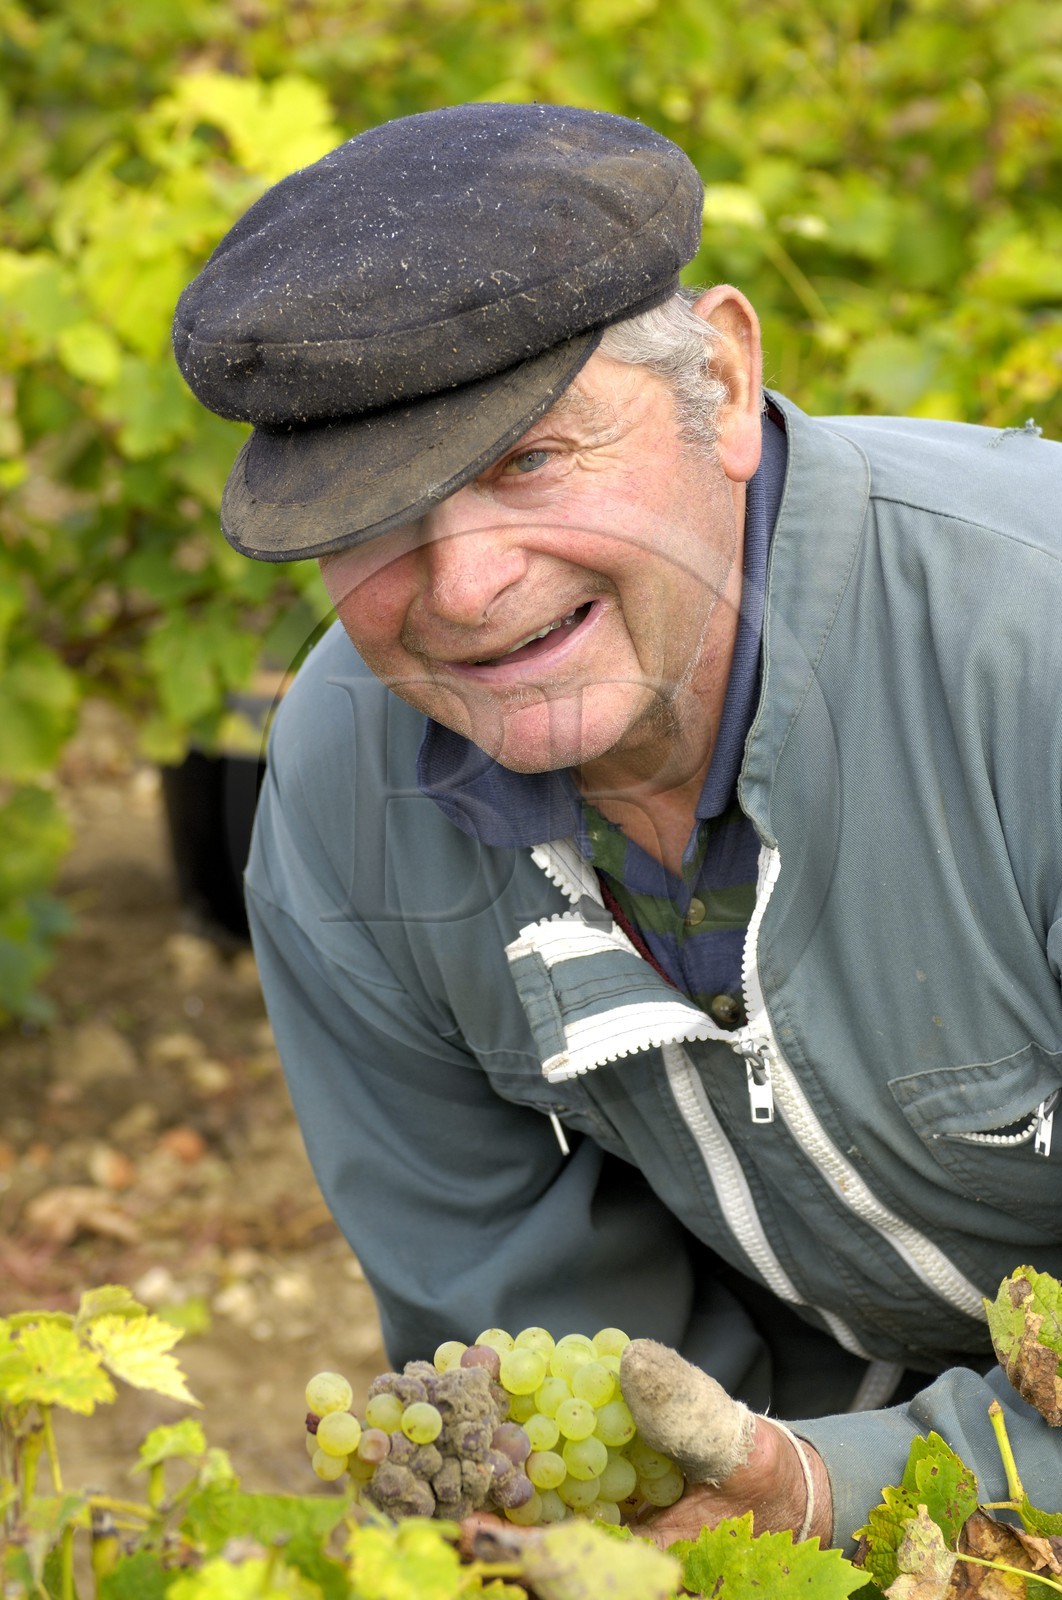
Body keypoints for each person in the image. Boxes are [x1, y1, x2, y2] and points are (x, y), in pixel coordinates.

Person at [173, 101, 1062, 1550]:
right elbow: (524, 1325)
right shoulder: (343, 786)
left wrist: (860, 1490)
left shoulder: (1033, 647)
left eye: (529, 460)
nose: (463, 589)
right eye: (377, 512)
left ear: (718, 373)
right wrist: (726, 1528)